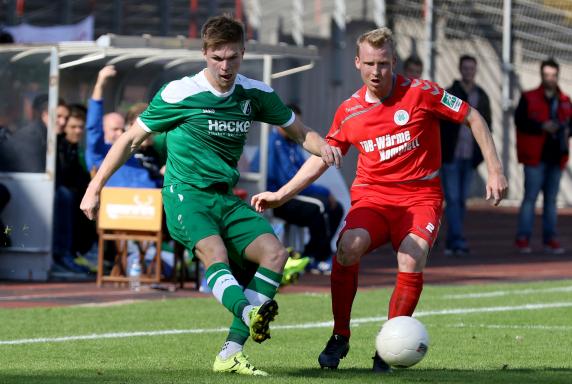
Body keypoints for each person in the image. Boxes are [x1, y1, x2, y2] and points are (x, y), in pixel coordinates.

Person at [80, 15, 341, 376]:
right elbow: (129, 139)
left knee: (275, 253)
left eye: (232, 57)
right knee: (214, 253)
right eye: (217, 57)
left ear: (243, 54)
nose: (225, 66)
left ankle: (230, 353)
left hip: (226, 197)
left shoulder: (254, 94)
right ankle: (250, 313)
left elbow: (299, 132)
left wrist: (324, 147)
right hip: (185, 195)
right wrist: (95, 188)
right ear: (205, 53)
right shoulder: (179, 93)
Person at [252, 27, 507, 372]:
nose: (376, 71)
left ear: (393, 62)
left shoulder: (422, 92)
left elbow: (472, 117)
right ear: (357, 63)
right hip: (373, 199)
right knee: (347, 247)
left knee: (412, 257)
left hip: (420, 198)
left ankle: (388, 347)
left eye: (383, 63)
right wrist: (281, 194)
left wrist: (494, 169)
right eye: (370, 63)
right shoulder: (349, 111)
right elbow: (322, 156)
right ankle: (340, 334)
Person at [251, 104, 344, 274]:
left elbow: (303, 174)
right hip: (277, 200)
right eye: (292, 122)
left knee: (336, 208)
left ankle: (311, 255)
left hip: (292, 195)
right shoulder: (273, 144)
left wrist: (324, 192)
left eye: (298, 122)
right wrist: (324, 192)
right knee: (321, 206)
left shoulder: (292, 143)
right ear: (280, 123)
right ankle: (315, 259)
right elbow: (288, 180)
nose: (295, 126)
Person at [514, 58, 571, 254]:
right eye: (547, 75)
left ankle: (550, 239)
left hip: (557, 158)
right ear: (541, 75)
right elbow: (520, 121)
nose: (550, 79)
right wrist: (542, 126)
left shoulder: (564, 100)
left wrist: (564, 129)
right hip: (534, 158)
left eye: (553, 75)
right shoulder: (529, 97)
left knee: (551, 201)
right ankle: (523, 238)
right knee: (530, 199)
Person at [440, 55, 492, 256]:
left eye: (472, 68)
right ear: (460, 69)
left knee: (461, 199)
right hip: (451, 155)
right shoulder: (450, 93)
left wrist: (482, 156)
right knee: (452, 199)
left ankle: (454, 239)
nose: (469, 71)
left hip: (470, 156)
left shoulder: (482, 95)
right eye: (466, 68)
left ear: (476, 70)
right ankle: (456, 240)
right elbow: (441, 124)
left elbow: (488, 125)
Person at [85, 66, 159, 188]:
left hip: (149, 201)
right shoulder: (99, 152)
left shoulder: (130, 152)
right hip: (118, 204)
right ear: (103, 130)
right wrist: (99, 86)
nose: (120, 133)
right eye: (114, 129)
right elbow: (93, 128)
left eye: (122, 129)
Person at [53, 105, 96, 274]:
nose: (78, 131)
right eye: (73, 127)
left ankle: (87, 251)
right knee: (66, 196)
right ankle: (64, 253)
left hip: (75, 198)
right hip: (61, 197)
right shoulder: (58, 145)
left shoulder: (74, 149)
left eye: (80, 127)